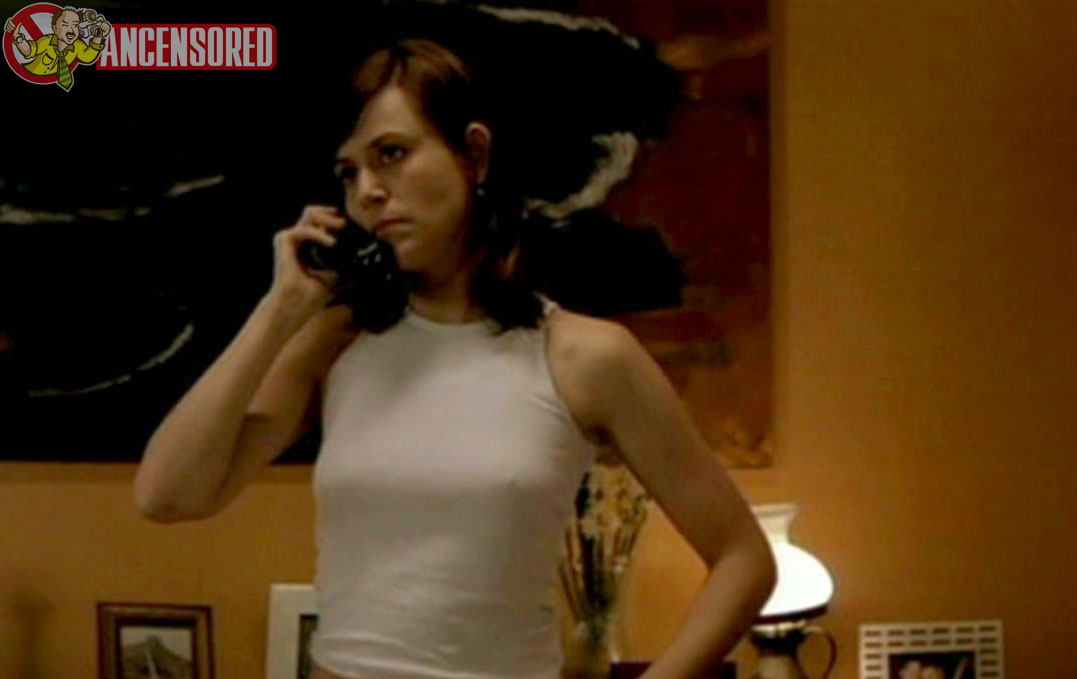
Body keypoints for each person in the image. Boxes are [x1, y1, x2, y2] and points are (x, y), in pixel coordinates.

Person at [133, 18, 777, 679]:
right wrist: (278, 311)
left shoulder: (585, 357)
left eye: (391, 153)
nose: (368, 191)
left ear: (475, 155)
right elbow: (167, 494)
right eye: (349, 172)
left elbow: (745, 560)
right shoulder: (335, 343)